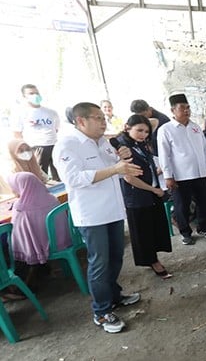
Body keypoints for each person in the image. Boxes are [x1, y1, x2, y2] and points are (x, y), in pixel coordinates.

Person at [53, 102, 143, 333]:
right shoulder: (67, 145)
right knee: (99, 262)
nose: (103, 122)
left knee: (116, 256)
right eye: (97, 118)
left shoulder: (103, 142)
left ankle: (114, 296)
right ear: (81, 121)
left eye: (104, 117)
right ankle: (101, 312)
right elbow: (73, 179)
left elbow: (116, 170)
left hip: (112, 209)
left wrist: (122, 159)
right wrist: (115, 169)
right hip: (91, 215)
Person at [116, 115, 173, 278]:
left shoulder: (139, 144)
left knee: (155, 227)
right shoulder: (124, 148)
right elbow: (129, 177)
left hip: (151, 191)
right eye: (139, 130)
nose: (144, 134)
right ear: (127, 127)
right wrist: (153, 190)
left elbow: (153, 122)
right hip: (138, 196)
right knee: (144, 232)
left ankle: (152, 258)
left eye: (146, 131)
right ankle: (153, 261)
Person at [157, 93, 206, 246]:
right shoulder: (166, 129)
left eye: (188, 107)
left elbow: (204, 150)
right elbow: (164, 155)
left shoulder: (195, 127)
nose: (186, 110)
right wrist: (168, 176)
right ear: (173, 110)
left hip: (199, 173)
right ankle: (185, 233)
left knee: (204, 202)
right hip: (180, 176)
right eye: (182, 108)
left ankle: (203, 227)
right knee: (181, 206)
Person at [7, 173, 69, 286]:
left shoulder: (21, 207)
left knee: (6, 243)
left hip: (41, 250)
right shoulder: (52, 198)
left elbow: (17, 232)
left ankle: (20, 286)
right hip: (63, 242)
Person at [13, 84, 60, 180]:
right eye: (31, 93)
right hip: (36, 147)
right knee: (41, 176)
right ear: (24, 97)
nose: (35, 95)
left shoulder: (51, 112)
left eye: (37, 93)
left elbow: (56, 128)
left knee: (59, 173)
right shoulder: (21, 114)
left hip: (54, 145)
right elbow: (17, 134)